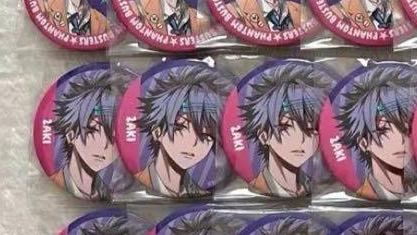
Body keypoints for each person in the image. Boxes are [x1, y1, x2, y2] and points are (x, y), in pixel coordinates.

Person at [335, 63, 417, 202]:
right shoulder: (364, 188)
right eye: (384, 130)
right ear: (363, 143)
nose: (401, 140)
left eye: (407, 129)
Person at [135, 63, 230, 197]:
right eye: (180, 128)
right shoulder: (145, 177)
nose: (193, 143)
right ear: (157, 132)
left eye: (205, 134)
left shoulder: (197, 187)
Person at [241, 61, 333, 198]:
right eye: (286, 127)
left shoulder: (312, 185)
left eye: (309, 128)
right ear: (264, 136)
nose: (301, 139)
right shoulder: (260, 184)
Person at [50, 68, 128, 200]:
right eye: (93, 131)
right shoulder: (62, 178)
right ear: (71, 134)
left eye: (114, 137)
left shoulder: (110, 187)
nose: (105, 145)